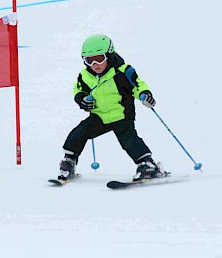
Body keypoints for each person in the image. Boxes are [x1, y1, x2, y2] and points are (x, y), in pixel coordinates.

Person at [58, 34, 165, 181]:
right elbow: (78, 90)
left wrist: (144, 95)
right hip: (99, 116)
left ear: (110, 54)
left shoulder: (123, 71)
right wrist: (82, 100)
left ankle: (148, 165)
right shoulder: (85, 76)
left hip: (122, 115)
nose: (95, 64)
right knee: (78, 134)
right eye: (89, 60)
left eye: (99, 58)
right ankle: (68, 162)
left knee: (129, 141)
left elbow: (138, 85)